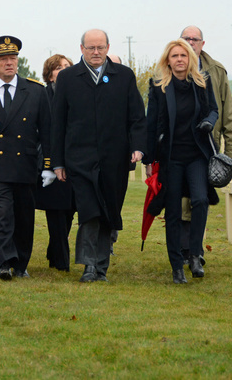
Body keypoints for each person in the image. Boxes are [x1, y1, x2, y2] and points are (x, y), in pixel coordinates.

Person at [51, 29, 146, 283]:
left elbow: (136, 116)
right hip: (79, 159)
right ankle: (88, 266)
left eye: (100, 48)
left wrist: (137, 147)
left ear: (107, 47)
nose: (96, 53)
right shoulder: (68, 78)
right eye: (91, 48)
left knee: (108, 211)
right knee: (90, 210)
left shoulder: (123, 76)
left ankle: (101, 267)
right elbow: (58, 123)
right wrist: (57, 161)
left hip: (115, 159)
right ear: (81, 48)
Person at [0, 36, 54, 280]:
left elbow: (47, 131)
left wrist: (47, 165)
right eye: (3, 59)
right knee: (2, 214)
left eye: (12, 59)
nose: (9, 63)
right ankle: (4, 262)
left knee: (25, 217)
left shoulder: (35, 91)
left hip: (24, 165)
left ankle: (21, 263)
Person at [144, 39, 218, 284]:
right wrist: (148, 157)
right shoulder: (159, 87)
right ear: (168, 60)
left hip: (196, 155)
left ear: (190, 59)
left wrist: (209, 121)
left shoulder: (201, 83)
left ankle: (195, 254)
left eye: (183, 55)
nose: (179, 60)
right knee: (173, 211)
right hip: (171, 157)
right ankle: (177, 265)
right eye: (174, 56)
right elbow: (151, 123)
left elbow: (214, 110)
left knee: (200, 199)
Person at [177, 26, 232, 265]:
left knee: (199, 198)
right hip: (179, 147)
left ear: (202, 44)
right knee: (182, 201)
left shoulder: (216, 71)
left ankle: (195, 250)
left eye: (195, 39)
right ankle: (185, 251)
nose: (190, 42)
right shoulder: (170, 67)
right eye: (186, 39)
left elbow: (227, 113)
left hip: (207, 148)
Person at [37, 54, 75, 271]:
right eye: (59, 67)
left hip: (73, 160)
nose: (63, 70)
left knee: (69, 209)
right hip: (49, 161)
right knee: (57, 210)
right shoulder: (42, 96)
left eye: (67, 67)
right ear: (50, 75)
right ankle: (61, 260)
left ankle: (54, 250)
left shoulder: (76, 95)